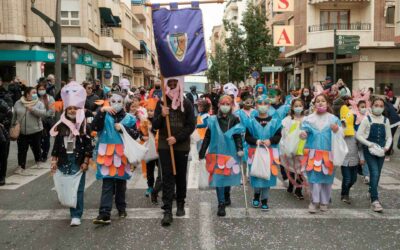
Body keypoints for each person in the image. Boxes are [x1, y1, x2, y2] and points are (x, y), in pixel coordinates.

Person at [92, 92, 140, 224]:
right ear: (109, 102)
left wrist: (123, 129)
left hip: (122, 154)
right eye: (113, 101)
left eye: (119, 101)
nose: (116, 104)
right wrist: (101, 110)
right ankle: (104, 213)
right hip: (106, 154)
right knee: (107, 183)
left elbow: (136, 135)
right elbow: (94, 127)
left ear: (124, 104)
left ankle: (121, 207)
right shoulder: (104, 116)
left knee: (120, 183)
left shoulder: (130, 118)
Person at [152, 78, 195, 226]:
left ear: (179, 85)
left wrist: (176, 138)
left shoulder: (186, 103)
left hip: (181, 146)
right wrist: (161, 115)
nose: (171, 86)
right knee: (167, 176)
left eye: (174, 84)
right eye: (168, 84)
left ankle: (181, 202)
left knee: (180, 176)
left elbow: (191, 126)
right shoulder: (161, 103)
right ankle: (167, 209)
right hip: (165, 146)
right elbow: (155, 126)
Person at [49, 82, 92, 226]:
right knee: (66, 187)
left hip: (78, 159)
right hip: (64, 159)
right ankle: (72, 210)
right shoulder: (61, 125)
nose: (72, 110)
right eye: (70, 108)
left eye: (75, 108)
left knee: (78, 189)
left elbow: (88, 145)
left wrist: (86, 161)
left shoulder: (84, 125)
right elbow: (56, 144)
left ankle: (76, 215)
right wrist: (54, 160)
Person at [199, 95, 244, 216]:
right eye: (223, 103)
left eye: (228, 103)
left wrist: (240, 148)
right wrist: (202, 151)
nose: (225, 106)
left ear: (231, 105)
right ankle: (221, 204)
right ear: (218, 104)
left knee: (228, 176)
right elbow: (207, 136)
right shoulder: (212, 119)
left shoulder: (235, 119)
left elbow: (237, 135)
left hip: (230, 152)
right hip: (216, 152)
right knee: (218, 178)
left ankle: (227, 194)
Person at [300, 94, 342, 213]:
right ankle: (314, 201)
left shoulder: (333, 119)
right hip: (313, 153)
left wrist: (337, 130)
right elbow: (304, 132)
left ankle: (324, 201)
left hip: (328, 154)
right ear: (314, 104)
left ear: (327, 103)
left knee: (327, 179)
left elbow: (341, 135)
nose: (320, 103)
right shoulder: (308, 119)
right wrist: (302, 135)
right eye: (318, 101)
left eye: (323, 101)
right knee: (314, 179)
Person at [356, 97, 393, 212]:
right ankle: (375, 200)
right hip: (369, 151)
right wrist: (369, 144)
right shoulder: (367, 119)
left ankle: (371, 190)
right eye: (376, 105)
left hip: (381, 151)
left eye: (381, 106)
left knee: (378, 174)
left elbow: (389, 137)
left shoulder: (386, 120)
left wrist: (386, 147)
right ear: (371, 107)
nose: (378, 107)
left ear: (384, 108)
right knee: (374, 172)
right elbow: (358, 135)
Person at [245, 95, 281, 210]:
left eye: (265, 103)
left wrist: (270, 140)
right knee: (256, 174)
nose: (263, 106)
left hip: (270, 152)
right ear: (255, 105)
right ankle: (256, 196)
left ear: (269, 106)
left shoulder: (275, 121)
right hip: (255, 152)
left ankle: (264, 199)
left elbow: (278, 135)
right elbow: (247, 137)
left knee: (268, 176)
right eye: (260, 103)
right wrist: (256, 141)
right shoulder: (251, 121)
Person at [12, 87, 47, 174]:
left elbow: (43, 113)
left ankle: (38, 161)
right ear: (27, 94)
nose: (36, 94)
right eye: (33, 92)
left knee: (36, 148)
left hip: (36, 130)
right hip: (22, 131)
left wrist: (33, 109)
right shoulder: (18, 103)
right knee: (22, 150)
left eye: (36, 92)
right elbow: (14, 115)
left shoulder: (38, 103)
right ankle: (21, 166)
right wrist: (12, 126)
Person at [280, 98, 306, 200]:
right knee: (290, 167)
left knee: (300, 170)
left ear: (303, 107)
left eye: (300, 105)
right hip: (290, 147)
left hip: (302, 147)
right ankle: (291, 184)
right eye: (296, 106)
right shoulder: (287, 120)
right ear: (292, 107)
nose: (298, 108)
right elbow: (284, 134)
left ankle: (299, 190)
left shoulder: (307, 119)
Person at [339, 94, 360, 204]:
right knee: (347, 179)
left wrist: (361, 158)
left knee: (353, 180)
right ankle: (344, 194)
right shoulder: (341, 133)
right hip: (344, 161)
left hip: (354, 160)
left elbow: (360, 147)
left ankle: (345, 190)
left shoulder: (356, 134)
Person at [143, 98, 162, 204]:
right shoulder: (144, 121)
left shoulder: (158, 121)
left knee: (160, 169)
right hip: (149, 149)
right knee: (149, 170)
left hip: (159, 149)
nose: (150, 112)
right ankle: (150, 186)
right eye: (148, 110)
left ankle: (158, 187)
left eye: (152, 110)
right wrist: (143, 137)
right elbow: (140, 133)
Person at [37, 82, 55, 162]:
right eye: (40, 89)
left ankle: (44, 155)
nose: (41, 91)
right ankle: (40, 153)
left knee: (46, 138)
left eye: (43, 89)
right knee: (38, 139)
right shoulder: (35, 98)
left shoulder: (49, 98)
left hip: (46, 121)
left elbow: (52, 110)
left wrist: (43, 115)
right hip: (36, 121)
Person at [0, 86, 13, 185]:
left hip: (2, 133)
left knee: (2, 156)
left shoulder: (2, 102)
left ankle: (2, 176)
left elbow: (9, 114)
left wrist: (3, 124)